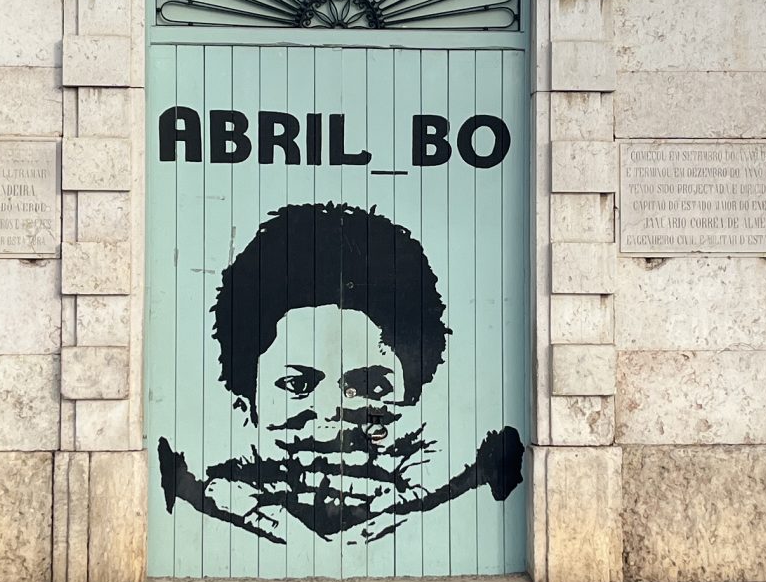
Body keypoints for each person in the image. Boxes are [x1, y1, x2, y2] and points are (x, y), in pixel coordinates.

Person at [158, 201, 523, 545]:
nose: (329, 421)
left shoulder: (455, 513)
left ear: (414, 406)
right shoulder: (205, 508)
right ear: (245, 408)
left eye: (372, 386)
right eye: (296, 385)